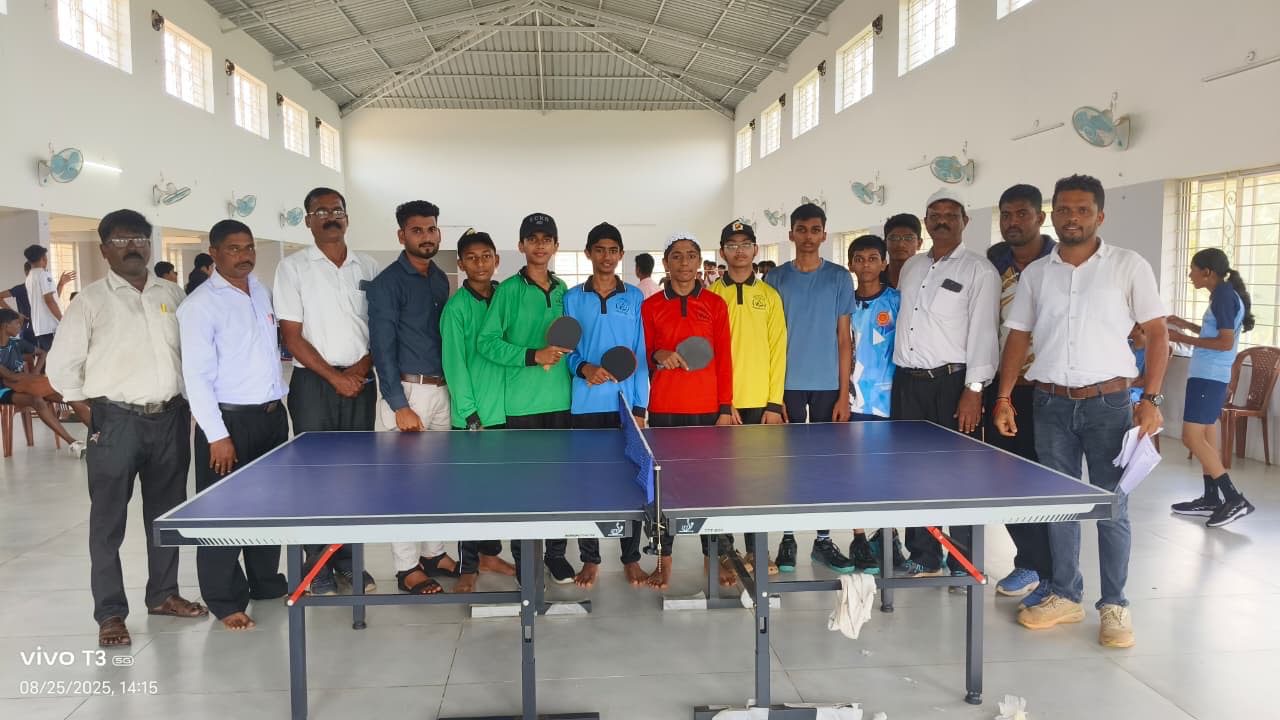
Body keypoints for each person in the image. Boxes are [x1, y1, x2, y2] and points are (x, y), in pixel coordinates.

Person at [994, 174, 1169, 649]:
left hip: (1109, 405)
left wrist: (1150, 401)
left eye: (1082, 210)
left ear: (1099, 216)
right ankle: (1066, 595)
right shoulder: (1036, 274)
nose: (1072, 217)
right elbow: (1019, 337)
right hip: (1049, 403)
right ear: (1052, 214)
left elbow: (1157, 334)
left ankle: (1115, 606)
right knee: (1060, 504)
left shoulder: (1128, 266)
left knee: (1112, 506)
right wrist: (1005, 395)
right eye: (1064, 209)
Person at [47, 209, 207, 647]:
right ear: (104, 250)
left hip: (171, 419)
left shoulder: (173, 295)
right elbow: (62, 370)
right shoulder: (90, 302)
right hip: (115, 422)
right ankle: (111, 614)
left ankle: (164, 594)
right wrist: (93, 415)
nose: (133, 246)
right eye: (121, 241)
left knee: (165, 515)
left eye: (139, 238)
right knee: (108, 523)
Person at [177, 220, 289, 631]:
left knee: (269, 508)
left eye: (249, 247)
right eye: (234, 248)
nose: (244, 255)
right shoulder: (200, 306)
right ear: (215, 252)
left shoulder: (260, 291)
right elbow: (197, 378)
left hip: (272, 416)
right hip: (228, 422)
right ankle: (225, 600)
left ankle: (265, 582)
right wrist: (217, 435)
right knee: (223, 513)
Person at [275, 187, 380, 596]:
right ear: (308, 220)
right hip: (313, 386)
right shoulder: (293, 268)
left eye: (337, 210)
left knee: (356, 477)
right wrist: (335, 378)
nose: (330, 217)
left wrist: (361, 368)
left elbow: (379, 328)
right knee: (315, 479)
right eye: (321, 211)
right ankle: (316, 564)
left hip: (361, 382)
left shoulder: (368, 266)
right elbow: (292, 336)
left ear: (347, 217)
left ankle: (350, 562)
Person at [893, 189, 1000, 578]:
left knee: (960, 474)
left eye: (950, 214)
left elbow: (984, 333)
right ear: (926, 222)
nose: (941, 220)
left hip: (952, 384)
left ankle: (962, 560)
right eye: (934, 213)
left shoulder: (978, 270)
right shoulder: (912, 268)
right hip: (908, 384)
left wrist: (974, 390)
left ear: (964, 221)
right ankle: (923, 553)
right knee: (912, 471)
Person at [365, 200, 462, 594]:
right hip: (406, 392)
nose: (426, 236)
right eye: (417, 230)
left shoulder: (439, 278)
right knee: (403, 486)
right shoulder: (388, 283)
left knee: (436, 480)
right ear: (401, 235)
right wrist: (398, 404)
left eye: (432, 229)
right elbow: (382, 348)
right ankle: (406, 569)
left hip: (442, 390)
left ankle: (433, 553)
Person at [477, 212, 576, 584]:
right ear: (521, 246)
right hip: (520, 405)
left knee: (557, 487)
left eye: (546, 238)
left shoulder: (565, 290)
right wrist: (532, 355)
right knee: (523, 489)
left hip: (560, 401)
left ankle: (555, 556)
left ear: (555, 245)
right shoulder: (507, 292)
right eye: (532, 239)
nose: (539, 245)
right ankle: (525, 560)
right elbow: (487, 343)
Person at [763, 203, 856, 574]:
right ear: (791, 235)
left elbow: (844, 338)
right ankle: (787, 537)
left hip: (826, 387)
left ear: (824, 234)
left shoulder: (838, 277)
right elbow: (770, 339)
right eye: (801, 229)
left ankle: (822, 539)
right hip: (786, 385)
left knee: (822, 466)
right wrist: (773, 394)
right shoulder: (776, 280)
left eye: (814, 230)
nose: (807, 236)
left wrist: (842, 393)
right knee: (786, 467)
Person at [642, 232, 734, 591]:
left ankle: (713, 557)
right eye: (676, 256)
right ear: (666, 263)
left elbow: (725, 359)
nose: (684, 262)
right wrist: (657, 355)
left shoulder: (715, 305)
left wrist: (725, 407)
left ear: (700, 262)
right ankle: (664, 561)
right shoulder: (650, 307)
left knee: (709, 489)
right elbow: (644, 351)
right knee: (666, 491)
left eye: (691, 256)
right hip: (664, 409)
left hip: (707, 410)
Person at [563, 222, 651, 589]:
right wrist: (584, 367)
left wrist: (642, 407)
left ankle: (631, 558)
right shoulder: (571, 297)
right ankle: (590, 559)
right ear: (588, 253)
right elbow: (567, 351)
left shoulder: (634, 297)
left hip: (624, 407)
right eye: (599, 249)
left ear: (621, 255)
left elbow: (642, 353)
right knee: (588, 485)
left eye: (613, 250)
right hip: (584, 404)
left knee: (629, 483)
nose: (606, 256)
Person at [985, 184, 1057, 607]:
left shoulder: (1060, 260)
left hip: (1049, 391)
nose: (1014, 222)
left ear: (1039, 217)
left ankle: (1055, 575)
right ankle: (1029, 560)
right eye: (1006, 215)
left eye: (1022, 214)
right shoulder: (995, 261)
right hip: (1003, 389)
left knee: (1047, 483)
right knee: (1004, 480)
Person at [440, 229, 517, 593]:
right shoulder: (456, 308)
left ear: (497, 260)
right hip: (475, 418)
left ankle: (489, 553)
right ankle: (468, 565)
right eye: (472, 257)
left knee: (500, 493)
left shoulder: (504, 297)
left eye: (486, 256)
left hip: (508, 411)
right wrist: (470, 412)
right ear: (460, 263)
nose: (480, 263)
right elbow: (454, 364)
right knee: (471, 496)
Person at [709, 220, 786, 576]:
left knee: (758, 483)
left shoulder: (769, 296)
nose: (739, 251)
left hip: (760, 405)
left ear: (755, 250)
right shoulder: (711, 297)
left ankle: (758, 550)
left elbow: (778, 349)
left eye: (745, 244)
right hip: (723, 405)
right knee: (721, 481)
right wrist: (724, 402)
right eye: (732, 245)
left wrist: (774, 403)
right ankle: (724, 552)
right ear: (722, 251)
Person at [1168, 248, 1257, 527]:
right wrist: (1184, 325)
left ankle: (1233, 498)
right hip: (1209, 376)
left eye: (1193, 269)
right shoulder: (1223, 294)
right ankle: (1211, 498)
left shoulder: (1223, 295)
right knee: (1206, 438)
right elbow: (1215, 334)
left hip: (1209, 376)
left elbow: (1224, 342)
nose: (1190, 274)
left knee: (1191, 438)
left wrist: (1179, 337)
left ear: (1207, 272)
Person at [844, 234, 900, 573]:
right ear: (851, 264)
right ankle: (859, 537)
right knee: (856, 475)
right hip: (851, 402)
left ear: (883, 263)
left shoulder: (897, 301)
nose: (865, 264)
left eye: (872, 258)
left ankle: (888, 533)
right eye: (859, 258)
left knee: (888, 474)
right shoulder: (844, 303)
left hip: (890, 402)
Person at [0, 308, 83, 452]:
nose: (20, 326)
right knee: (37, 400)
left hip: (25, 385)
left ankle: (99, 434)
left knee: (66, 396)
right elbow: (10, 377)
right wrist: (34, 379)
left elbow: (43, 353)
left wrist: (36, 372)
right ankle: (73, 442)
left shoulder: (17, 342)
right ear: (5, 326)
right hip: (4, 390)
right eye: (16, 323)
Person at [23, 245, 62, 351]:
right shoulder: (44, 275)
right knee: (58, 359)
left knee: (49, 359)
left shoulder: (29, 277)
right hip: (50, 326)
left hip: (40, 327)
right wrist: (62, 320)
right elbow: (49, 301)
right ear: (43, 258)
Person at [883, 213, 924, 288]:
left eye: (908, 238)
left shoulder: (927, 279)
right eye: (894, 238)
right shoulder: (873, 279)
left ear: (919, 243)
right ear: (885, 243)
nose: (901, 244)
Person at [1, 263, 37, 344]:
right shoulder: (21, 289)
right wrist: (16, 314)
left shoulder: (42, 288)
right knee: (28, 355)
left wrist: (61, 285)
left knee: (45, 354)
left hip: (43, 328)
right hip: (27, 328)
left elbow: (51, 302)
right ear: (27, 272)